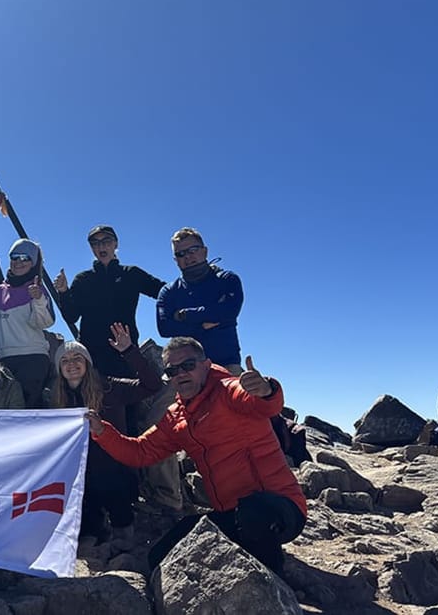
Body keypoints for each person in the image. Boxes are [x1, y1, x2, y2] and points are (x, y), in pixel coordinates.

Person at [87, 337, 306, 573]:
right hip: (230, 514)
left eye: (188, 365)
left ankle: (274, 589)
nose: (180, 374)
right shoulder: (176, 417)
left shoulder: (228, 390)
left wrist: (266, 390)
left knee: (254, 514)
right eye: (171, 370)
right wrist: (102, 431)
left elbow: (264, 405)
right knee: (162, 555)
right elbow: (141, 452)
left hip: (281, 507)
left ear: (206, 365)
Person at [51, 325, 163, 546]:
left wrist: (129, 351)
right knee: (87, 532)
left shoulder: (110, 387)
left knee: (116, 500)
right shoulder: (54, 399)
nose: (72, 364)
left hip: (115, 472)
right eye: (65, 360)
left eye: (77, 358)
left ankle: (123, 535)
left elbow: (153, 385)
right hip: (81, 477)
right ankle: (95, 536)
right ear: (59, 368)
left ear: (87, 363)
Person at [54, 225, 164, 380]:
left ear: (116, 244)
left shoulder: (131, 274)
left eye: (106, 241)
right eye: (95, 243)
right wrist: (63, 292)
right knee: (92, 403)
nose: (101, 246)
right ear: (91, 248)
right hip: (92, 356)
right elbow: (71, 317)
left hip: (125, 353)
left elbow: (163, 292)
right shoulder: (83, 279)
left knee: (129, 402)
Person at [156, 227, 244, 373]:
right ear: (175, 260)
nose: (188, 257)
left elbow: (228, 313)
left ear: (205, 251)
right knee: (160, 395)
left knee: (249, 393)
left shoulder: (227, 280)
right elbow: (165, 328)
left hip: (226, 366)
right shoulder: (168, 292)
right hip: (183, 371)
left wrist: (185, 315)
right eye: (180, 254)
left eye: (193, 250)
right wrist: (202, 326)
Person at [0, 239, 54, 408]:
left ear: (33, 263)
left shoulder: (36, 288)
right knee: (7, 408)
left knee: (28, 408)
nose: (19, 262)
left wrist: (38, 299)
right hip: (3, 359)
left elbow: (45, 322)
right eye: (14, 256)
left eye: (25, 258)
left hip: (32, 358)